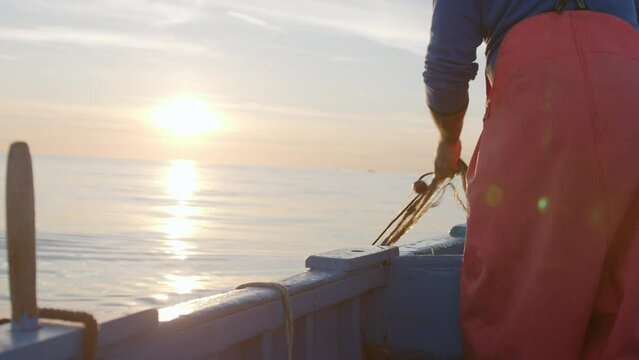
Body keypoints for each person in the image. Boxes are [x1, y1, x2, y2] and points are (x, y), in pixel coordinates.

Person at [423, 0, 639, 358]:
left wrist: (449, 140)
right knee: (627, 296)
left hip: (541, 112)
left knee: (519, 307)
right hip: (630, 101)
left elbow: (446, 68)